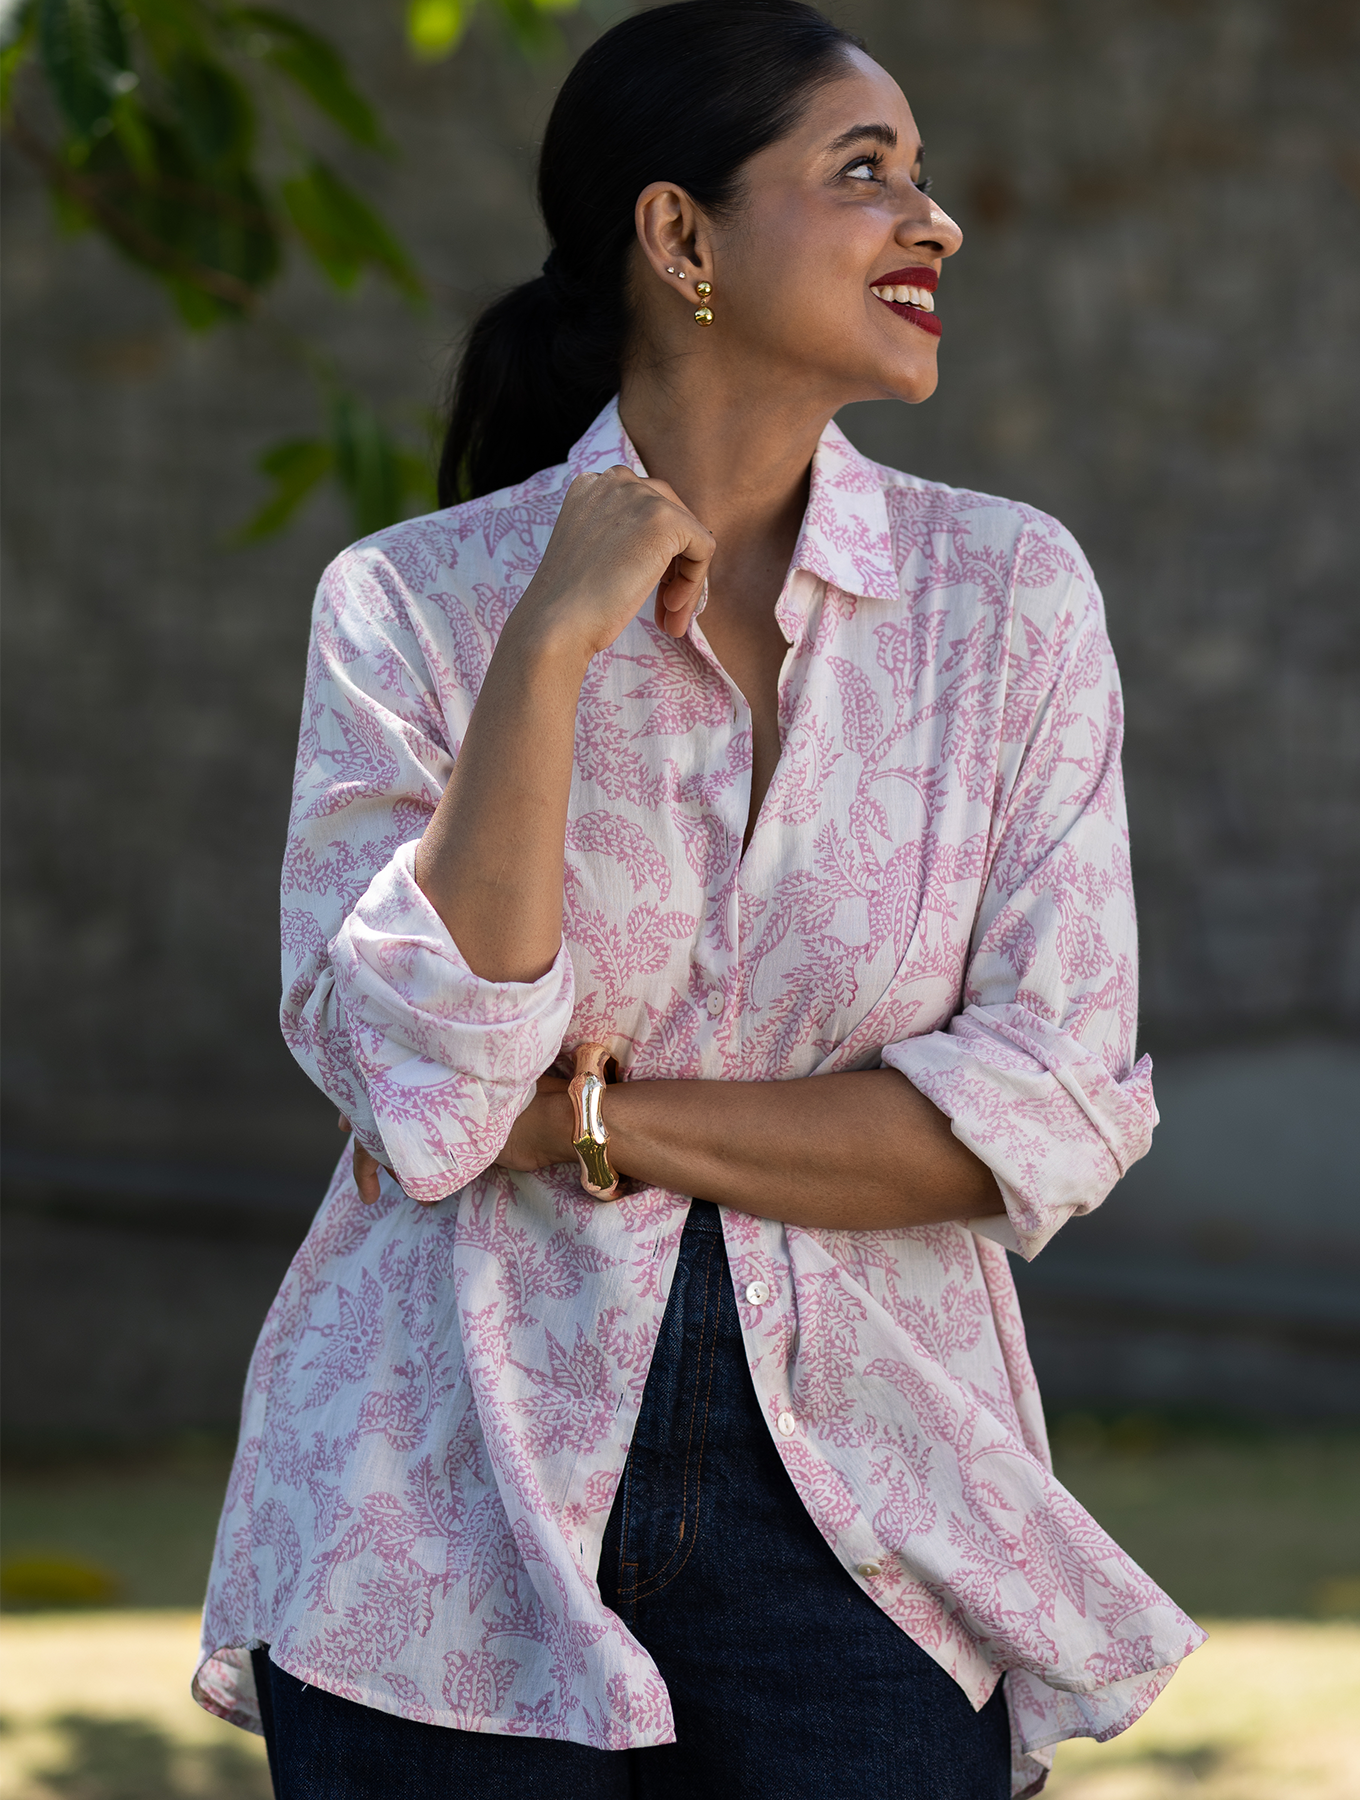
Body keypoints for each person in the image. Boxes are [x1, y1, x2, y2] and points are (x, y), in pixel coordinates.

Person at [194, 3, 1203, 1794]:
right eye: (864, 170)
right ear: (681, 237)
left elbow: (1051, 1103)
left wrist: (588, 1120)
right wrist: (548, 643)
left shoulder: (1007, 601)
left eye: (919, 173)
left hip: (873, 1504)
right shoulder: (411, 606)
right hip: (430, 1496)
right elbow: (429, 1095)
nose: (937, 219)